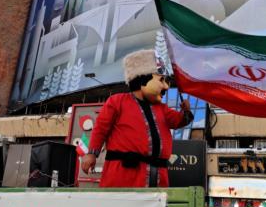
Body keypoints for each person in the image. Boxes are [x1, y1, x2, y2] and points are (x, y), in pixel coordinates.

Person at [80, 50, 192, 187]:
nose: (166, 86)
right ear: (142, 78)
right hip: (124, 173)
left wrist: (186, 112)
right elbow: (100, 129)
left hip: (157, 176)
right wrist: (92, 154)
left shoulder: (162, 108)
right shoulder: (117, 101)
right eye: (161, 80)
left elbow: (178, 121)